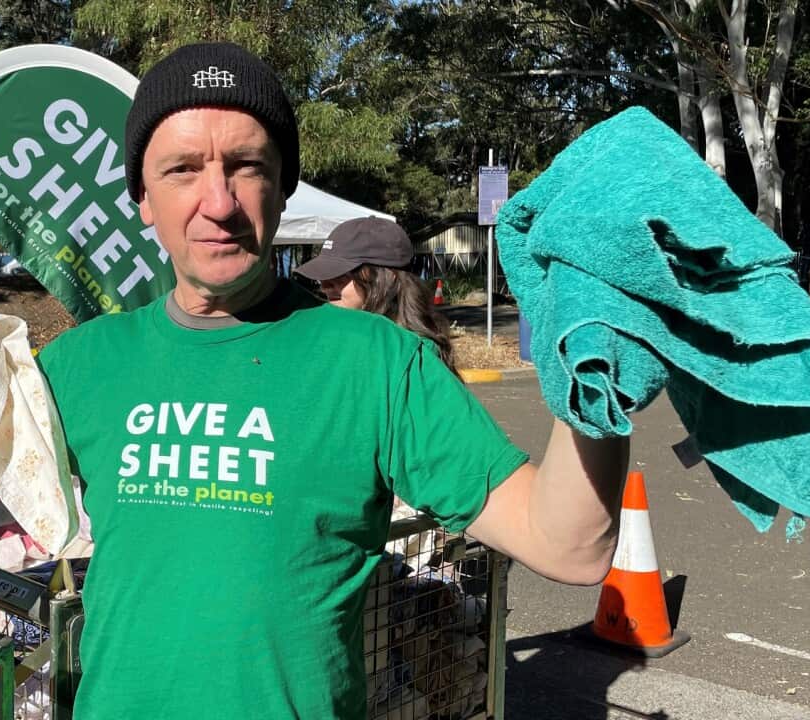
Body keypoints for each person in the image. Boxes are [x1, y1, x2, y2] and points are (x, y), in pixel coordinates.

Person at [34, 42, 628, 719]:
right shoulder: (78, 363)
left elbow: (571, 546)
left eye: (248, 166)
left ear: (283, 188)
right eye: (182, 170)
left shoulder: (377, 362)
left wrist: (595, 346)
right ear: (142, 198)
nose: (219, 202)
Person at [297, 216, 457, 374]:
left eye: (340, 277)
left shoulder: (414, 357)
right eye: (324, 276)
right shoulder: (331, 339)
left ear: (388, 278)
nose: (324, 287)